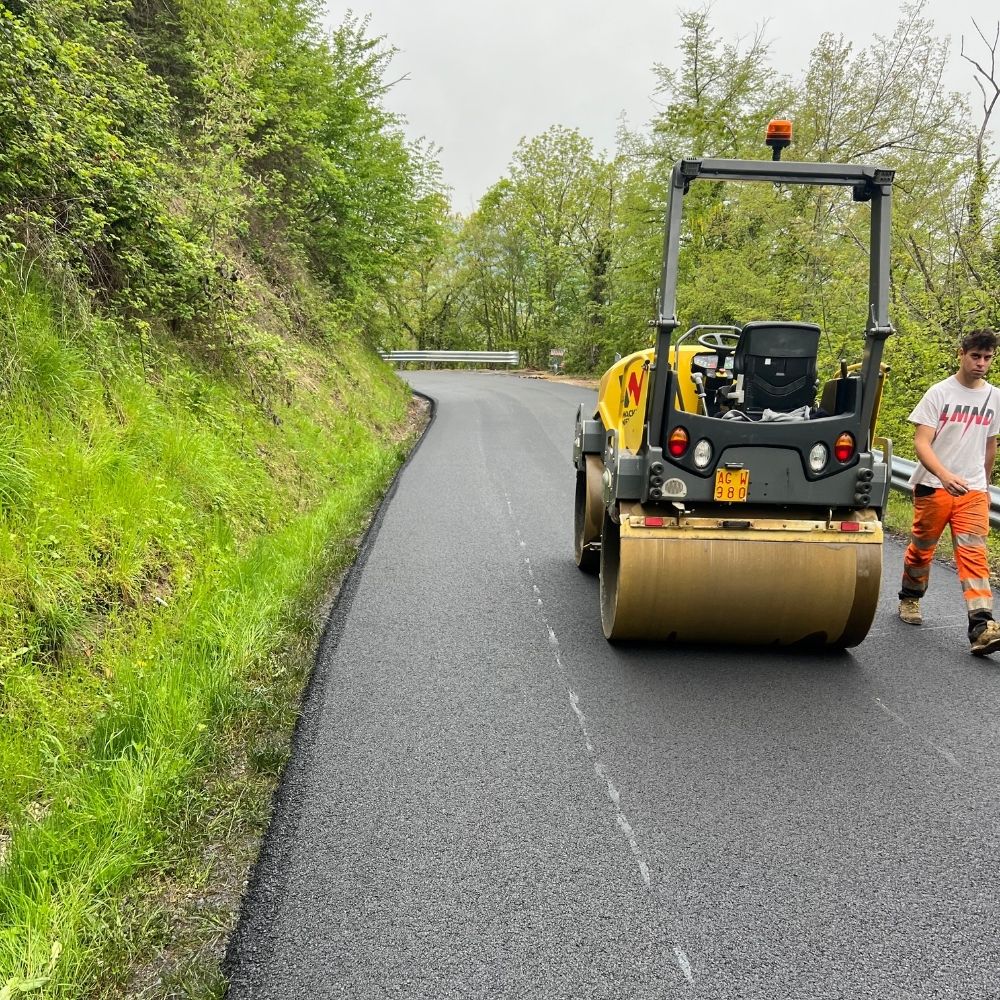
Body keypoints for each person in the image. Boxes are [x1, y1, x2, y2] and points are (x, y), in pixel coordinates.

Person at [898, 329, 1000, 655]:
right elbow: (921, 442)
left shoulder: (994, 397)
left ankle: (983, 627)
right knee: (922, 548)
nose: (981, 364)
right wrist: (943, 475)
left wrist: (982, 486)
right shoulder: (939, 393)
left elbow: (990, 445)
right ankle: (910, 597)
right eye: (976, 356)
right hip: (933, 485)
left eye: (987, 358)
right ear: (962, 354)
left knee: (974, 556)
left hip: (972, 490)